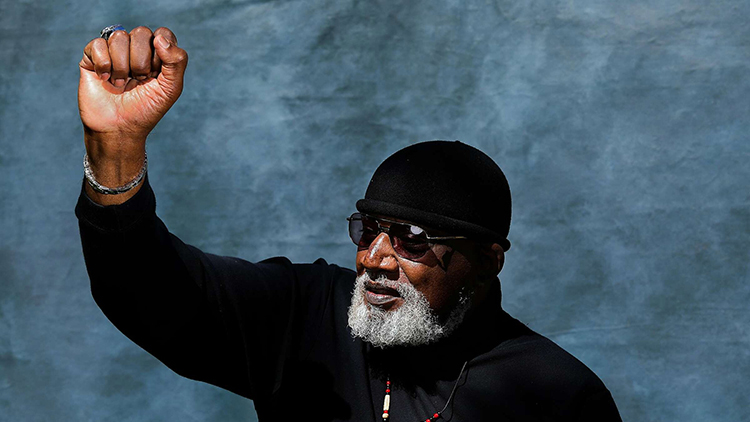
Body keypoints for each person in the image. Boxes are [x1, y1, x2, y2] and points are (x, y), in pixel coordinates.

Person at [76, 25, 622, 421]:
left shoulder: (557, 395)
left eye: (411, 239)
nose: (374, 257)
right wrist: (116, 145)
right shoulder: (307, 316)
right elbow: (146, 289)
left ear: (489, 259)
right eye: (369, 229)